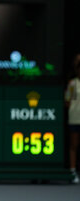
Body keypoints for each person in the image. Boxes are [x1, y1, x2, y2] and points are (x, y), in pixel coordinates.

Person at [65, 56, 80, 184]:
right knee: (74, 145)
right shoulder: (72, 84)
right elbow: (67, 101)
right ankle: (73, 171)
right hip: (75, 118)